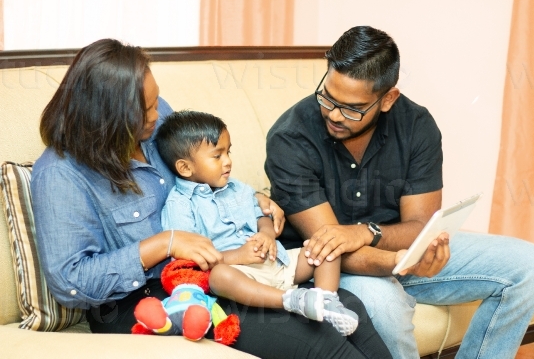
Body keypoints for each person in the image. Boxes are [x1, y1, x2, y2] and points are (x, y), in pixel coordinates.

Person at [31, 38, 393, 358]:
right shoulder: (62, 173)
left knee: (349, 308)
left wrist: (255, 202)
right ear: (108, 119)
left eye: (157, 103)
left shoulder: (155, 123)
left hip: (214, 269)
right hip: (145, 301)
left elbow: (201, 171)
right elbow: (70, 282)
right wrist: (163, 244)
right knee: (314, 339)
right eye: (146, 111)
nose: (159, 116)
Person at [264, 25, 534, 359]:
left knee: (531, 266)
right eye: (328, 98)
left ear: (388, 98)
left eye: (352, 108)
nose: (334, 115)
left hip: (398, 248)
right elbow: (329, 247)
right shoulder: (290, 138)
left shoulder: (416, 125)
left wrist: (367, 233)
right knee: (386, 306)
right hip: (333, 266)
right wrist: (398, 260)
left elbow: (420, 226)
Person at [157, 110, 358, 336]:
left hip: (277, 262)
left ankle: (325, 300)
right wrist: (237, 256)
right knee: (219, 277)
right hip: (240, 273)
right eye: (217, 156)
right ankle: (292, 300)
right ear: (185, 167)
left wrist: (267, 234)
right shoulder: (180, 205)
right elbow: (187, 259)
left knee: (327, 246)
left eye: (228, 152)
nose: (228, 162)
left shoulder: (238, 188)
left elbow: (261, 215)